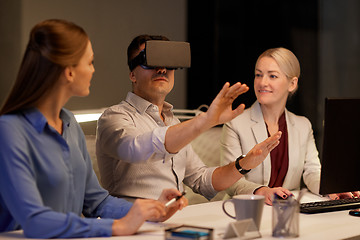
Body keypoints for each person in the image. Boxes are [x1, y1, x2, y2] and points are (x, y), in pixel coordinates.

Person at [0, 19, 187, 238]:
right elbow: (35, 221)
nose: (93, 70)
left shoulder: (68, 122)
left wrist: (150, 210)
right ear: (69, 72)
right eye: (90, 62)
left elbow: (97, 202)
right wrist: (116, 227)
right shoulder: (9, 131)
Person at [95, 34, 282, 201]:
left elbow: (201, 179)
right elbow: (135, 149)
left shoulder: (173, 122)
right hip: (132, 225)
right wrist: (206, 120)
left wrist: (244, 163)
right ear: (132, 74)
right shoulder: (113, 117)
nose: (161, 69)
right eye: (150, 60)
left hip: (174, 220)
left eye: (168, 61)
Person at [220, 47, 360, 205]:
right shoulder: (235, 123)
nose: (262, 82)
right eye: (258, 75)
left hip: (287, 210)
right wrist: (262, 191)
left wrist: (331, 188)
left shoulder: (303, 125)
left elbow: (312, 171)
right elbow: (230, 181)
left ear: (292, 83)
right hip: (245, 210)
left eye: (272, 76)